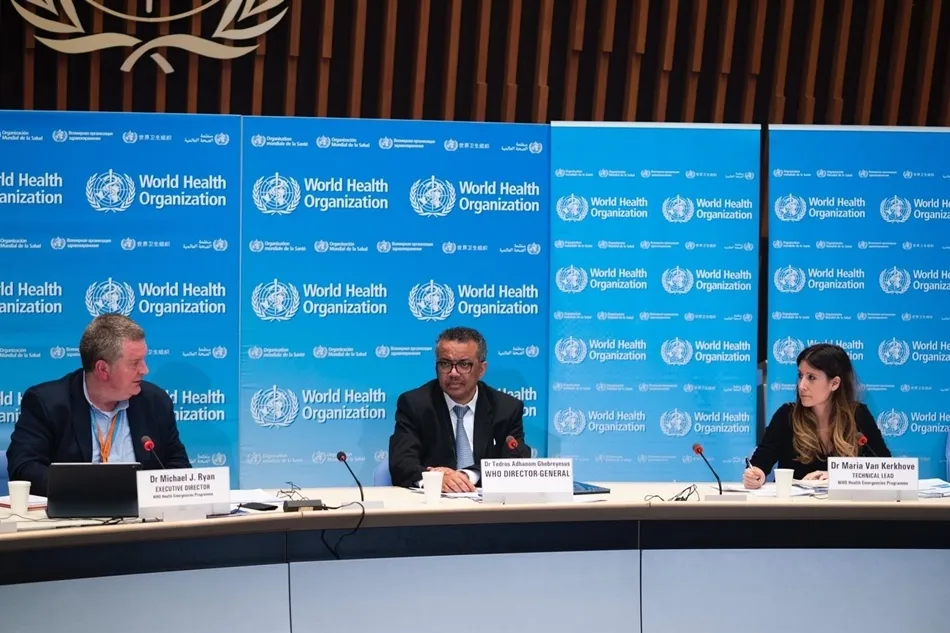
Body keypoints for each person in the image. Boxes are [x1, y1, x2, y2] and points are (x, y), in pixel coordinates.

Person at [6, 314, 191, 496]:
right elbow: (24, 468)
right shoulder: (48, 403)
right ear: (103, 369)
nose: (145, 370)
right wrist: (92, 492)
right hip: (77, 520)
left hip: (144, 519)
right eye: (135, 363)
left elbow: (178, 465)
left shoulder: (155, 402)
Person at [388, 326, 531, 492]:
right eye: (445, 364)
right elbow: (401, 463)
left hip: (489, 508)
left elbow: (514, 465)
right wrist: (435, 480)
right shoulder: (415, 404)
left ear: (481, 369)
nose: (453, 373)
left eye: (464, 364)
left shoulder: (506, 408)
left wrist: (468, 475)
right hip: (432, 507)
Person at [743, 343, 890, 489]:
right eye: (801, 376)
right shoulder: (787, 415)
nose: (802, 385)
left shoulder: (857, 415)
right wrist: (756, 474)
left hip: (842, 508)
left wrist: (838, 477)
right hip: (794, 508)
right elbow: (761, 462)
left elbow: (885, 469)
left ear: (834, 383)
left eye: (812, 377)